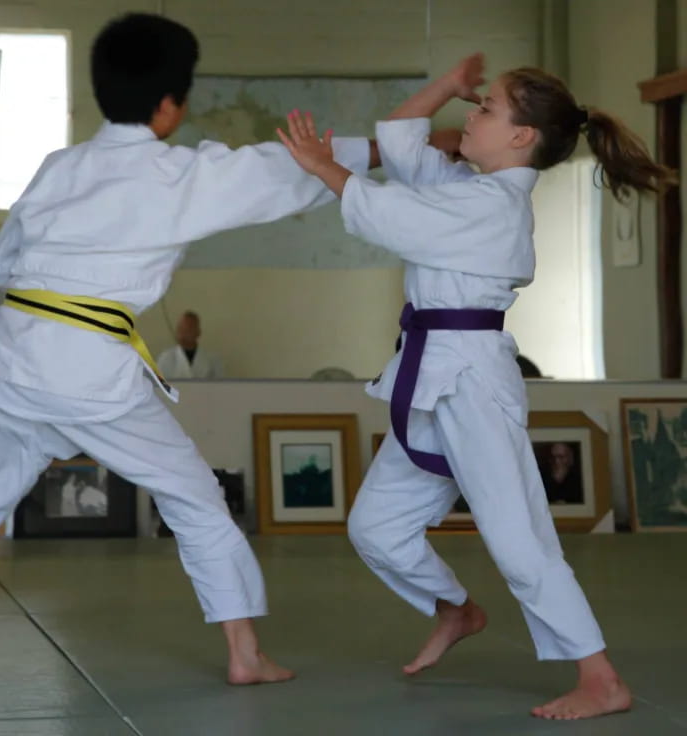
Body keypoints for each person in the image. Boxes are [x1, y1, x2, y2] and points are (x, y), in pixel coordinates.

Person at [0, 12, 389, 692]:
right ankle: (244, 654)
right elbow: (290, 171)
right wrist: (395, 148)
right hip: (85, 365)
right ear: (172, 104)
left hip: (12, 351)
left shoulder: (61, 166)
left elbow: (4, 258)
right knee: (195, 495)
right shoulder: (177, 175)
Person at [277, 52, 673, 719]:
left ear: (522, 137)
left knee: (519, 540)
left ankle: (601, 678)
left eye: (486, 107)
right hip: (428, 373)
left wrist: (324, 166)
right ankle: (456, 610)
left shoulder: (496, 208)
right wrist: (448, 86)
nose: (472, 113)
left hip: (470, 381)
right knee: (375, 527)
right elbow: (401, 137)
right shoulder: (463, 185)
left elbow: (387, 217)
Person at [157, 310, 223, 379]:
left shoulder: (212, 360)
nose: (183, 334)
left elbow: (219, 387)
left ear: (198, 332)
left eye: (188, 329)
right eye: (181, 329)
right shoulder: (165, 358)